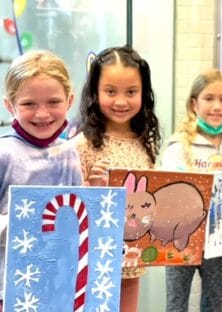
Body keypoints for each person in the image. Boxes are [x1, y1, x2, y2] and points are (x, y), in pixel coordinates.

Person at [75, 46, 161, 312]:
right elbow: (73, 200)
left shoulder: (145, 144)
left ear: (143, 94)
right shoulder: (83, 145)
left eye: (131, 92)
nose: (121, 101)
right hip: (94, 258)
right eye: (110, 91)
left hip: (132, 258)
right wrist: (89, 184)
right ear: (95, 93)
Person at [161, 69, 222, 312]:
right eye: (209, 98)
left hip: (220, 241)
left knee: (213, 302)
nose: (217, 106)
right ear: (194, 104)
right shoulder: (178, 146)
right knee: (176, 304)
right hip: (182, 238)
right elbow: (168, 194)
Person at [0, 50, 82, 311]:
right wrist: (28, 224)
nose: (42, 113)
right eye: (29, 104)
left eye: (53, 102)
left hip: (57, 283)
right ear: (10, 105)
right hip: (8, 286)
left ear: (69, 101)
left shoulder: (69, 151)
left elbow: (77, 218)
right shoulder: (4, 153)